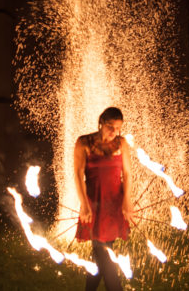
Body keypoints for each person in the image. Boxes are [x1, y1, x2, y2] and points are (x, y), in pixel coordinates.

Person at [74, 107, 135, 291]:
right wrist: (84, 204)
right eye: (110, 126)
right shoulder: (84, 142)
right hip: (95, 205)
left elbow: (127, 173)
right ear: (101, 122)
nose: (114, 132)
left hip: (114, 204)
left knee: (101, 253)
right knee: (104, 254)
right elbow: (78, 175)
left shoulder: (121, 143)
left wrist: (127, 200)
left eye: (118, 128)